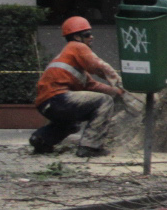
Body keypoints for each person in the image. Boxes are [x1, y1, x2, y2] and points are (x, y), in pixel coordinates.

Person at [29, 17, 124, 156]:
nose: (91, 37)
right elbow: (100, 67)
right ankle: (90, 147)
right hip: (58, 98)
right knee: (105, 101)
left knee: (71, 124)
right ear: (76, 37)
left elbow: (92, 86)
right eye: (87, 34)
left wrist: (116, 92)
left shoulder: (69, 58)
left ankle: (42, 140)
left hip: (47, 104)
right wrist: (121, 84)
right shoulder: (77, 46)